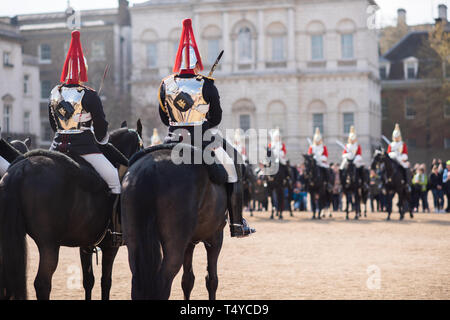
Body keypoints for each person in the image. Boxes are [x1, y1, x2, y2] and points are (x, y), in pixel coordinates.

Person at [157, 18, 254, 237]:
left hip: (173, 139)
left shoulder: (166, 84)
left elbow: (164, 117)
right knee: (235, 164)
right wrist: (202, 123)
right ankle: (237, 224)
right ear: (197, 62)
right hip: (202, 138)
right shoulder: (206, 84)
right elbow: (217, 117)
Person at [48, 30, 123, 246]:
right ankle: (115, 230)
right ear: (83, 69)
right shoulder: (89, 94)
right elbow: (101, 126)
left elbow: (53, 123)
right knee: (114, 180)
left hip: (56, 148)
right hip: (84, 147)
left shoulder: (55, 93)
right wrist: (101, 138)